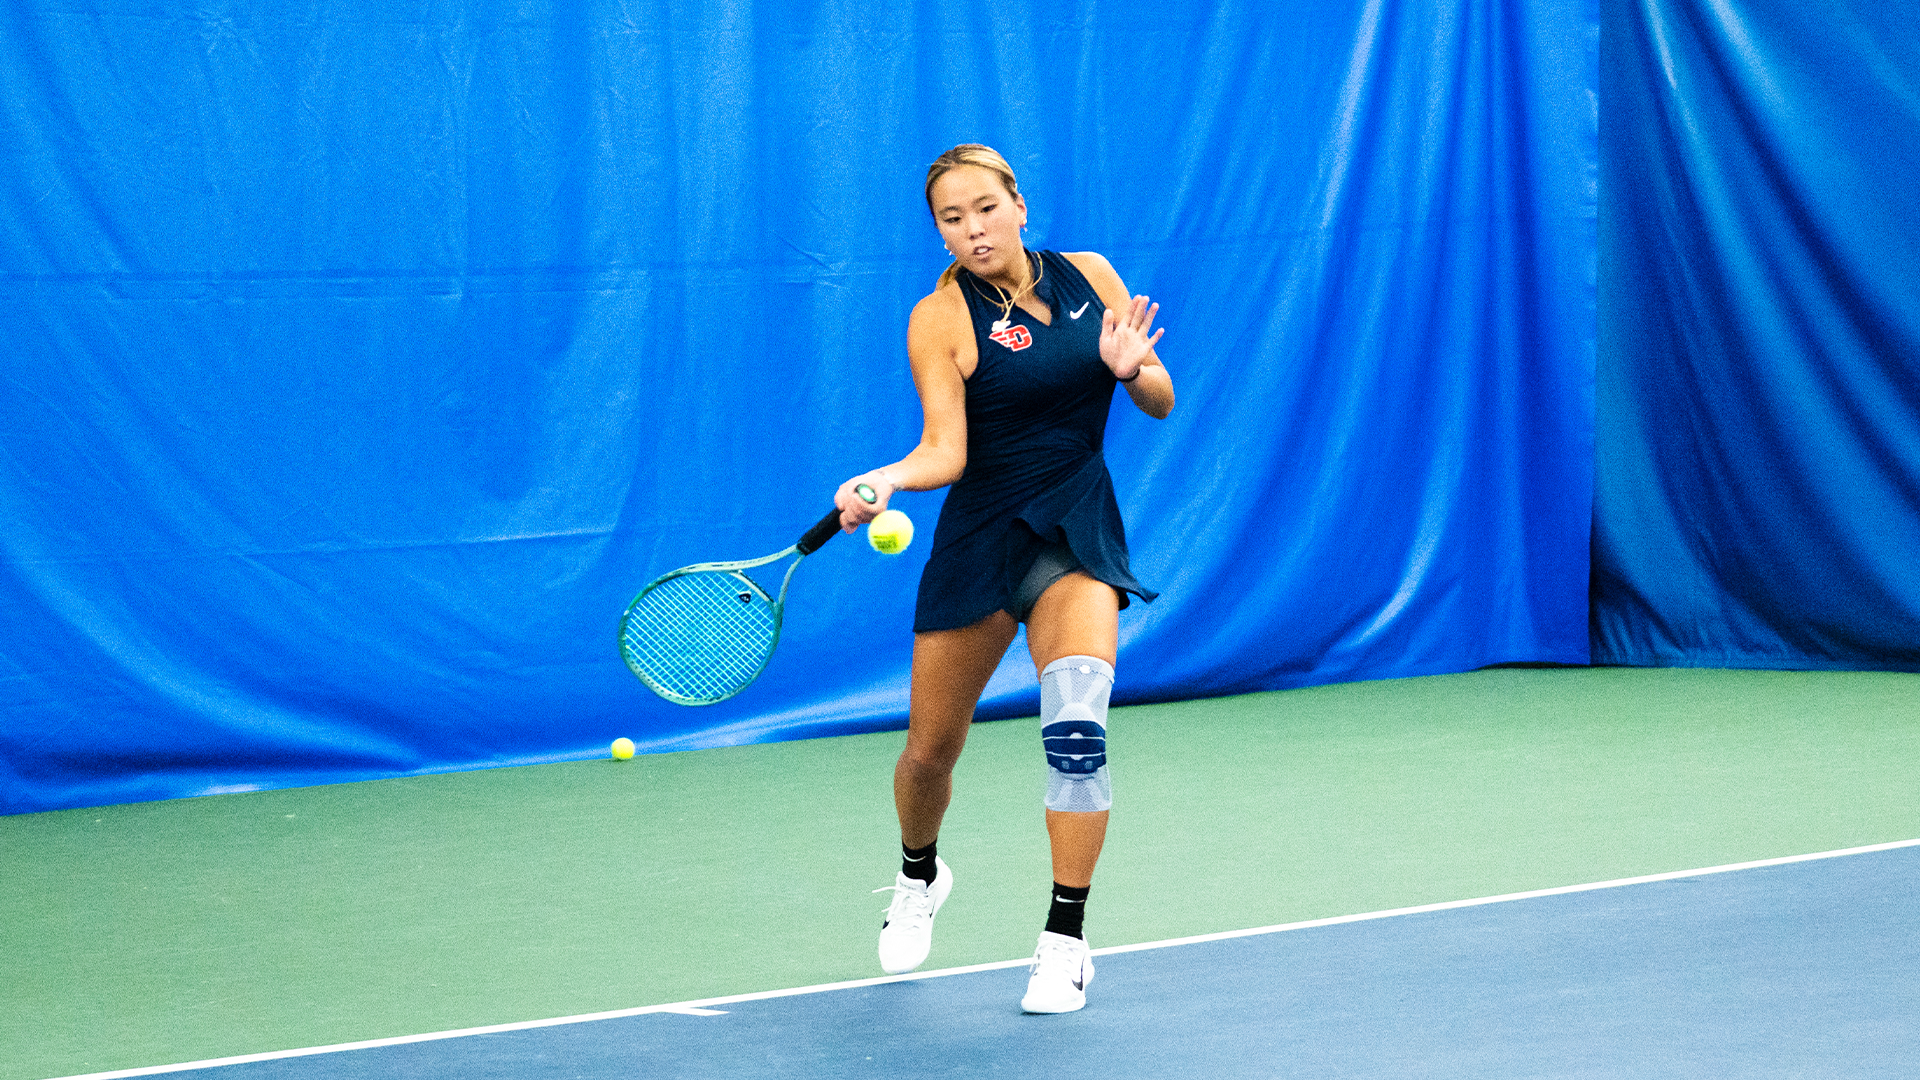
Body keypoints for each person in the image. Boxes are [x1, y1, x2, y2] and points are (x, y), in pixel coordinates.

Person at [834, 144, 1175, 1014]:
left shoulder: (1090, 276)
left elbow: (1160, 397)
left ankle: (1065, 941)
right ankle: (919, 874)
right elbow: (946, 452)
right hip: (981, 537)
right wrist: (885, 480)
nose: (973, 229)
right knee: (927, 754)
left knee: (1076, 730)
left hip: (1074, 530)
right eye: (952, 218)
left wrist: (1134, 366)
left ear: (1019, 204)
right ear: (940, 232)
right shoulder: (939, 317)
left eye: (985, 208)